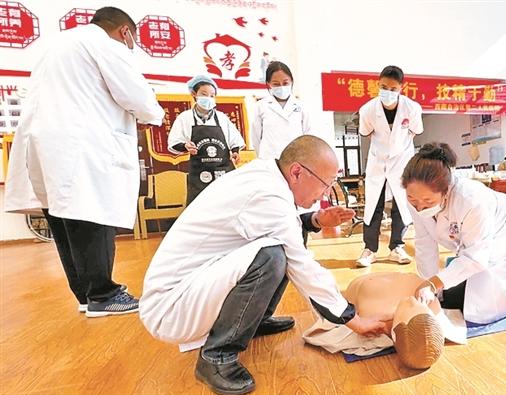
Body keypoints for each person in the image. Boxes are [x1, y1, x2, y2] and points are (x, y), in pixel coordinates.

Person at [139, 135, 388, 395]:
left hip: (194, 286)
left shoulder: (267, 177)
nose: (325, 193)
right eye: (325, 184)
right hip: (171, 307)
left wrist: (314, 220)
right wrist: (352, 318)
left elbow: (280, 224)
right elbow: (302, 264)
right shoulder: (268, 193)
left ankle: (252, 321)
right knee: (272, 255)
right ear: (296, 172)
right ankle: (217, 356)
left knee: (281, 245)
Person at [3, 7, 164, 317]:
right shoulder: (105, 44)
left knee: (62, 216)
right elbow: (136, 94)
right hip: (81, 143)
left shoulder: (56, 45)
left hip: (44, 142)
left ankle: (85, 294)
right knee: (92, 211)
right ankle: (104, 294)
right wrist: (154, 114)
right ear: (125, 32)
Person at [401, 143, 506, 325]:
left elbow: (476, 257)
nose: (420, 207)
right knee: (446, 296)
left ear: (446, 191)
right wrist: (430, 285)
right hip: (478, 247)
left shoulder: (471, 199)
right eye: (412, 200)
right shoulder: (415, 199)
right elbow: (424, 243)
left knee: (479, 303)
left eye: (427, 200)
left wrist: (434, 284)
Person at [355, 65, 424, 268]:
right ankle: (369, 249)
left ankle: (397, 247)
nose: (388, 92)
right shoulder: (367, 110)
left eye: (393, 89)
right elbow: (366, 133)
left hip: (402, 160)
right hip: (378, 160)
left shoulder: (412, 108)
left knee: (401, 203)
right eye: (384, 87)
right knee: (373, 204)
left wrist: (398, 145)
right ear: (378, 84)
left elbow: (416, 131)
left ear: (401, 88)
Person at [168, 74, 245, 204]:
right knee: (200, 207)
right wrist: (185, 146)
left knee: (227, 205)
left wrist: (235, 152)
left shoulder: (222, 118)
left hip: (224, 172)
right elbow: (174, 143)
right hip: (199, 176)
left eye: (212, 95)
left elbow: (234, 140)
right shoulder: (185, 118)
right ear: (194, 94)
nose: (208, 98)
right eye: (204, 94)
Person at [251, 61, 313, 161]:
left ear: (291, 81)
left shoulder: (301, 106)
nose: (281, 87)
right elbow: (255, 138)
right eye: (276, 84)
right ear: (269, 84)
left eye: (285, 83)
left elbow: (308, 136)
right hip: (269, 159)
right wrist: (263, 158)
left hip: (296, 158)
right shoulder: (261, 106)